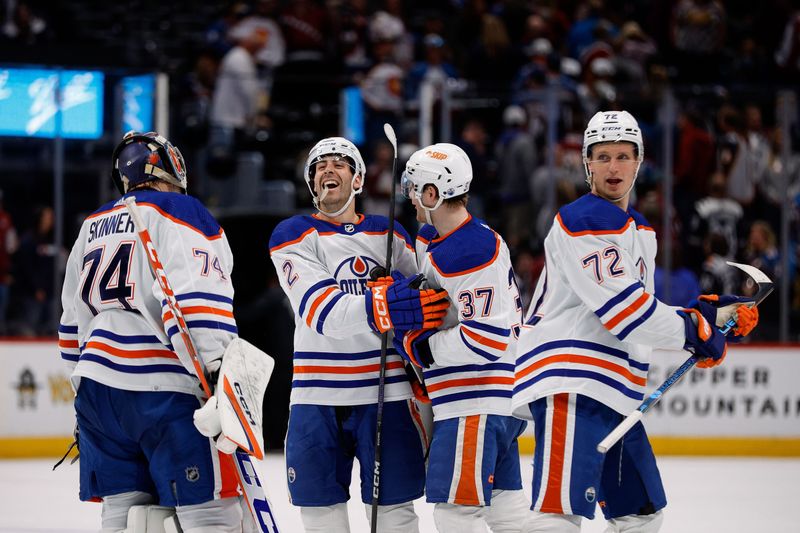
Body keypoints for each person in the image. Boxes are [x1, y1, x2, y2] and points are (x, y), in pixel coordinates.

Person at [513, 111, 760, 533]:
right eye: (603, 156)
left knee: (640, 515)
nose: (613, 167)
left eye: (624, 156)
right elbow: (624, 311)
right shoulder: (585, 219)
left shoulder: (640, 229)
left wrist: (710, 316)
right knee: (557, 515)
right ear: (587, 163)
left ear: (639, 162)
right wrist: (693, 329)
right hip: (572, 381)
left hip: (614, 389)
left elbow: (637, 305)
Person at [58, 132, 244, 532]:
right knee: (210, 512)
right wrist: (217, 372)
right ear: (169, 166)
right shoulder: (180, 210)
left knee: (123, 517)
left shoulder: (91, 224)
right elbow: (194, 302)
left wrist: (84, 391)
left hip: (96, 392)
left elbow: (72, 321)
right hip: (162, 390)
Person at [268, 137, 447, 533]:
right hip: (317, 395)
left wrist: (409, 304)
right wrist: (381, 303)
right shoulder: (292, 234)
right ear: (312, 183)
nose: (328, 170)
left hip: (387, 392)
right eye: (319, 167)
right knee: (320, 517)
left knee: (395, 515)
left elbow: (423, 298)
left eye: (339, 164)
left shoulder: (390, 234)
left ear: (359, 179)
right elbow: (320, 310)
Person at [394, 143, 530, 532]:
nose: (409, 197)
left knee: (455, 514)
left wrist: (421, 347)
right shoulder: (452, 238)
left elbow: (486, 339)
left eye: (415, 188)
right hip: (493, 404)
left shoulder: (468, 250)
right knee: (509, 516)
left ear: (432, 194)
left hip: (472, 405)